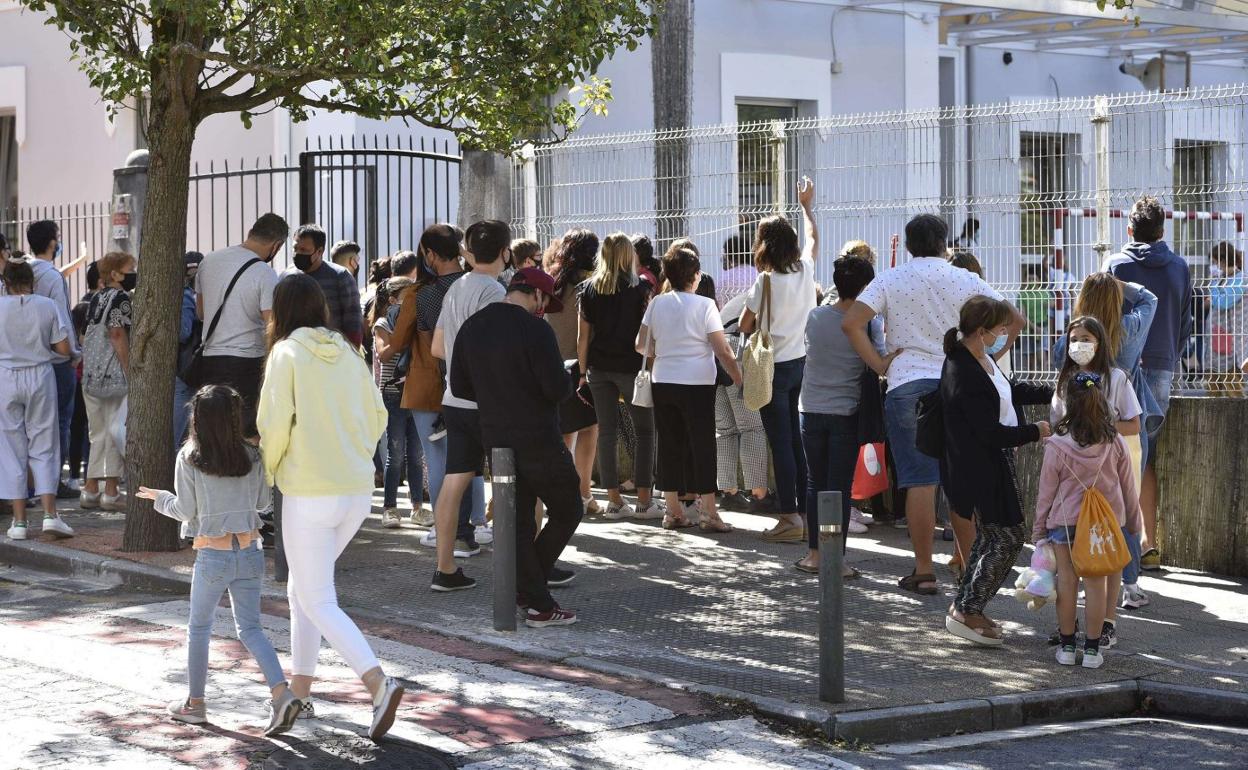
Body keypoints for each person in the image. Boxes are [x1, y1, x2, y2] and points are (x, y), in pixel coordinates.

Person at [844, 214, 1024, 596]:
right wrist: (988, 359)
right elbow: (1015, 320)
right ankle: (971, 569)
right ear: (945, 243)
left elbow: (852, 323)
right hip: (958, 383)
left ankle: (923, 570)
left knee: (919, 481)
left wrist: (878, 363)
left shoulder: (891, 278)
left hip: (907, 383)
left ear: (909, 245)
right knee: (960, 480)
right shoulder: (966, 278)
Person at [256, 273, 402, 741]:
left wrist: (271, 472)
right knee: (304, 590)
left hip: (308, 489)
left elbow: (273, 424)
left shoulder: (286, 354)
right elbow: (377, 415)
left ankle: (377, 682)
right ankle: (297, 691)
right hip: (355, 488)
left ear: (281, 311)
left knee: (316, 597)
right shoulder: (348, 352)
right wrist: (353, 452)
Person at [136, 385, 298, 734]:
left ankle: (195, 704)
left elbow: (185, 510)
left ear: (198, 418)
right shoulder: (251, 455)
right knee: (252, 629)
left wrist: (161, 499)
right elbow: (261, 504)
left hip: (213, 554)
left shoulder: (190, 456)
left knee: (199, 629)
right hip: (251, 551)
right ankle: (282, 694)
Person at [452, 268, 583, 626]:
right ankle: (533, 592)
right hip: (538, 436)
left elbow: (460, 387)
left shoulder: (472, 327)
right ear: (537, 295)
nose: (545, 308)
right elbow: (557, 389)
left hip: (496, 437)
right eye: (545, 300)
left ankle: (531, 593)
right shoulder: (536, 329)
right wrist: (568, 376)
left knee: (519, 522)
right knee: (569, 507)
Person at [940, 296, 1052, 645]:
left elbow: (1008, 390)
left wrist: (1052, 390)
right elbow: (987, 432)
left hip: (993, 463)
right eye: (1002, 327)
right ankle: (968, 608)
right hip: (979, 466)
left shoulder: (981, 358)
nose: (1007, 332)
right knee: (1007, 536)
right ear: (983, 330)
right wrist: (1036, 431)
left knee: (997, 536)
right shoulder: (962, 369)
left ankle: (968, 605)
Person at [1102, 196, 1193, 572]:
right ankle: (1147, 544)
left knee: (1116, 456)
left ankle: (1117, 544)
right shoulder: (1179, 268)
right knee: (1143, 455)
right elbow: (1187, 321)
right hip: (1161, 368)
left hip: (1120, 366)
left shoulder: (1115, 264)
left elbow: (1101, 317)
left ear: (1129, 229)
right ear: (1163, 229)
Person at [1060, 273, 1158, 609]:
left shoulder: (1073, 338)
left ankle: (1091, 574)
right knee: (1123, 507)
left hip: (1081, 435)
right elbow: (1151, 300)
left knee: (1083, 505)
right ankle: (1129, 584)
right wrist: (1123, 285)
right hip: (1124, 431)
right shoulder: (1129, 327)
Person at [1034, 371, 1143, 669]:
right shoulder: (1115, 442)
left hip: (1064, 526)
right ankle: (1093, 651)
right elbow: (1128, 486)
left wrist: (1038, 530)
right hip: (1102, 528)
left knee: (1067, 583)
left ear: (1069, 404)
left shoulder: (1057, 445)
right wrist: (1134, 522)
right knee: (1097, 586)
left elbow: (1046, 493)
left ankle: (1068, 647)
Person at [1049, 316, 1142, 647]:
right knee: (1072, 564)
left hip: (1107, 477)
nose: (1078, 344)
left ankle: (1105, 623)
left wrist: (1100, 432)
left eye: (1086, 338)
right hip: (1072, 482)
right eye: (1073, 338)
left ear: (1100, 342)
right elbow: (1057, 426)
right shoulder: (1063, 382)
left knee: (1106, 555)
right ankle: (1070, 627)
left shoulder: (1116, 379)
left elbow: (1134, 423)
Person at [428, 221, 511, 592]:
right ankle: (518, 572)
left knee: (455, 480)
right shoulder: (495, 290)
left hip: (454, 397)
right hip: (489, 400)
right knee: (510, 481)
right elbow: (496, 350)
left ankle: (444, 567)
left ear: (468, 252)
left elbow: (437, 348)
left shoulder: (456, 287)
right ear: (505, 252)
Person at [796, 255, 890, 575]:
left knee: (815, 483)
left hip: (809, 408)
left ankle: (814, 555)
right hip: (844, 412)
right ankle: (836, 559)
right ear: (865, 287)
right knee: (838, 488)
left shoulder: (815, 316)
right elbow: (877, 361)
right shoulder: (867, 322)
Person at [636, 247, 742, 531]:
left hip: (664, 381)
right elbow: (722, 350)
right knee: (703, 445)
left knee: (669, 444)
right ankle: (709, 512)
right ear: (695, 276)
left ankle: (672, 512)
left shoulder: (657, 302)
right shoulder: (705, 305)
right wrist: (739, 377)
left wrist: (668, 350)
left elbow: (640, 344)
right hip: (698, 384)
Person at [385, 225, 481, 535]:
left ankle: (444, 525)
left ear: (429, 254)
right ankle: (477, 522)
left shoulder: (420, 292)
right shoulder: (476, 285)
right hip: (471, 381)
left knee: (437, 457)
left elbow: (398, 342)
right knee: (471, 457)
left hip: (428, 382)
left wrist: (383, 347)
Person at [739, 177, 819, 543]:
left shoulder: (764, 282)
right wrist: (805, 205)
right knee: (796, 441)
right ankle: (802, 512)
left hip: (771, 368)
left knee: (780, 442)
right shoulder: (805, 271)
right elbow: (814, 239)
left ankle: (788, 517)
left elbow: (744, 324)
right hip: (800, 362)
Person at [577, 233, 662, 519]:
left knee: (607, 432)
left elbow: (582, 338)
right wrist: (651, 366)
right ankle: (644, 501)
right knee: (645, 431)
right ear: (629, 256)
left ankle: (614, 501)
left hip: (598, 368)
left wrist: (581, 372)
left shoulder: (587, 290)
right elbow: (649, 334)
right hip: (632, 368)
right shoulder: (642, 289)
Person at [1, 259, 75, 540]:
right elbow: (64, 348)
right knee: (44, 443)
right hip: (40, 374)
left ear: (5, 282)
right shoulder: (47, 305)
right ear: (31, 281)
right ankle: (49, 514)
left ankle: (19, 522)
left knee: (10, 446)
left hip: (5, 376)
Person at [195, 213, 288, 437]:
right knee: (245, 431)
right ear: (277, 245)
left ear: (251, 233)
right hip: (247, 361)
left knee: (216, 429)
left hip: (211, 358)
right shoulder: (264, 273)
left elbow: (201, 312)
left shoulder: (209, 261)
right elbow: (271, 324)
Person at [18, 221, 79, 499]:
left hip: (27, 356)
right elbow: (62, 320)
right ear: (53, 243)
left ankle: (29, 483)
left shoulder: (22, 273)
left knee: (29, 426)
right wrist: (74, 354)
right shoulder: (53, 277)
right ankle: (52, 482)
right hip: (56, 358)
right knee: (59, 423)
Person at [546, 229, 602, 513]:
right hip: (579, 365)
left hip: (550, 363)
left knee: (564, 434)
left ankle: (564, 493)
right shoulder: (588, 284)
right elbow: (586, 333)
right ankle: (582, 495)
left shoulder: (552, 281)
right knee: (589, 429)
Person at [80, 251, 136, 512]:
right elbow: (117, 333)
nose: (134, 273)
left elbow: (86, 335)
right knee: (115, 431)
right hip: (113, 374)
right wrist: (129, 367)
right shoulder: (121, 298)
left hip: (91, 374)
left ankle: (91, 489)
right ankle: (111, 492)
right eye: (130, 269)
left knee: (98, 433)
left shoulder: (95, 298)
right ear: (115, 273)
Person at [371, 276, 425, 527]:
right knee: (396, 454)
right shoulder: (383, 323)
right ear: (393, 300)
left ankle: (418, 508)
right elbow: (383, 354)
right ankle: (390, 508)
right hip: (393, 395)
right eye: (407, 295)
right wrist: (402, 334)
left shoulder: (417, 321)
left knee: (416, 455)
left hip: (415, 392)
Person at [716, 291, 773, 514]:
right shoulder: (766, 293)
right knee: (752, 426)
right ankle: (760, 494)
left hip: (715, 348)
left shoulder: (739, 298)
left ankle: (729, 493)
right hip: (737, 349)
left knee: (724, 429)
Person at [282, 224, 363, 348]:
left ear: (319, 251)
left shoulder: (340, 277)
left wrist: (351, 353)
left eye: (304, 250)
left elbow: (353, 321)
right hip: (295, 352)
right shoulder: (287, 276)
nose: (297, 253)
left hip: (331, 351)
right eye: (295, 248)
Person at [1207, 241, 1246, 396]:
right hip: (1215, 337)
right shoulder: (1221, 278)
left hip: (1230, 338)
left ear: (1223, 261)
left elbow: (1224, 302)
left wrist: (1212, 288)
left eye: (1215, 262)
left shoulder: (1240, 279)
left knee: (1232, 388)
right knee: (1212, 389)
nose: (1214, 265)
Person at [174, 251, 204, 448]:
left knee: (181, 433)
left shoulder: (183, 296)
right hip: (194, 366)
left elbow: (182, 333)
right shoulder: (198, 296)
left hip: (184, 368)